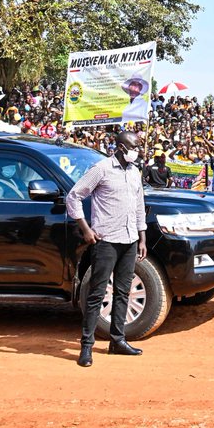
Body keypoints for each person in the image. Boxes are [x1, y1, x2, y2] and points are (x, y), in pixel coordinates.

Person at [66, 130, 148, 366]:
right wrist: (86, 229)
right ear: (121, 148)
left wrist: (142, 237)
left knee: (123, 292)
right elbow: (74, 196)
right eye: (134, 146)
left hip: (130, 240)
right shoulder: (101, 169)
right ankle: (87, 346)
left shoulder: (134, 172)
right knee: (97, 294)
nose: (137, 151)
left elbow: (139, 205)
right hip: (106, 241)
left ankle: (117, 341)